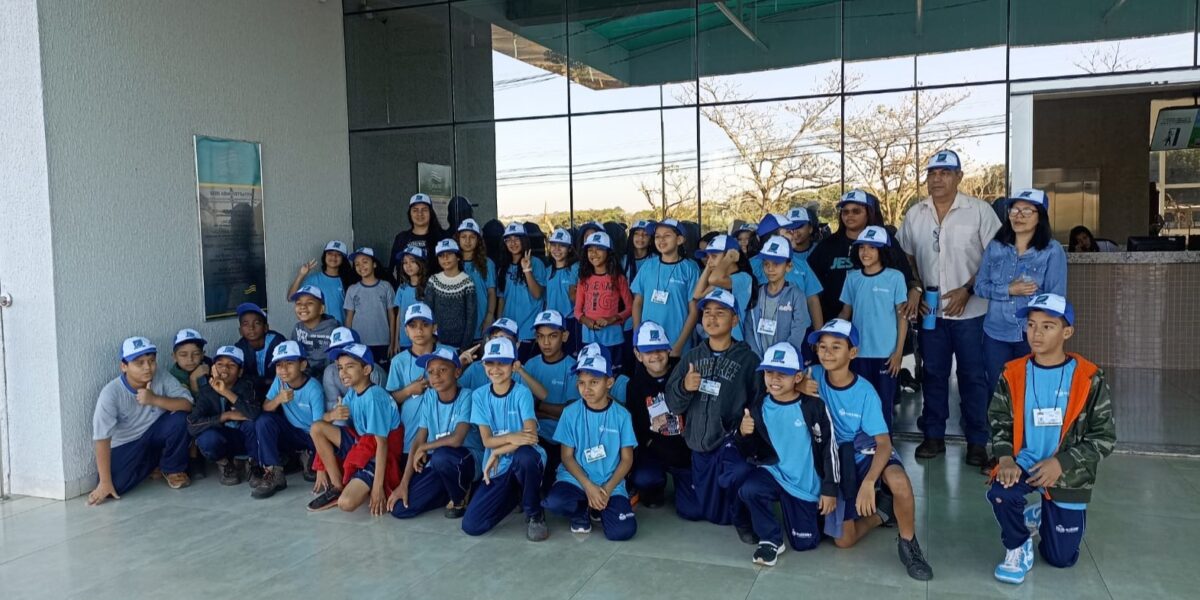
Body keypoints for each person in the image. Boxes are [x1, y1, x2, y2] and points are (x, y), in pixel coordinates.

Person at [986, 293, 1116, 584]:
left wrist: (1062, 462)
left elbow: (1105, 437)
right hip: (1024, 462)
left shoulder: (1088, 377)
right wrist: (1006, 457)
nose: (1037, 333)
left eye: (1048, 326)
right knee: (1000, 491)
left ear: (1067, 331)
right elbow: (999, 420)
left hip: (1067, 473)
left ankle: (1043, 515)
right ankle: (1018, 545)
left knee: (1061, 559)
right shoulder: (1013, 373)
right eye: (1031, 325)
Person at [896, 150, 1001, 465]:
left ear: (959, 177)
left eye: (945, 172)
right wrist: (914, 285)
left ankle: (977, 442)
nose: (937, 178)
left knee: (972, 377)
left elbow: (995, 259)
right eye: (932, 173)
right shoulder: (916, 214)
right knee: (933, 375)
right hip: (932, 315)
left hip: (971, 313)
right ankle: (933, 436)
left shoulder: (979, 211)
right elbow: (907, 257)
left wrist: (968, 289)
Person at [807, 319, 933, 581]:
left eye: (836, 347)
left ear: (853, 353)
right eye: (822, 346)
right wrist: (798, 386)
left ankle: (909, 543)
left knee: (899, 481)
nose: (827, 352)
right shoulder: (813, 375)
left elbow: (884, 443)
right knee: (844, 541)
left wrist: (869, 481)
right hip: (835, 458)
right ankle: (882, 513)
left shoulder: (865, 392)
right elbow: (780, 385)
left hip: (867, 451)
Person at [665, 288, 758, 538]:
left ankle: (743, 506)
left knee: (732, 497)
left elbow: (759, 402)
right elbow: (673, 403)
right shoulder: (692, 356)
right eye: (707, 313)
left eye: (720, 313)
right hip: (699, 447)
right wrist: (685, 386)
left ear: (735, 320)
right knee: (694, 511)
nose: (712, 318)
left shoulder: (748, 360)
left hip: (729, 445)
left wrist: (746, 430)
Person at [735, 341, 837, 566]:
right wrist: (743, 433)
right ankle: (770, 539)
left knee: (805, 543)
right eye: (769, 372)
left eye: (783, 374)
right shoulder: (758, 406)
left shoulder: (813, 407)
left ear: (798, 377)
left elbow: (830, 448)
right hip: (774, 473)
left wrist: (829, 489)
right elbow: (751, 451)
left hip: (804, 484)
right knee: (749, 489)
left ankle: (802, 516)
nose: (774, 379)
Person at [975, 189, 1068, 402]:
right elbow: (980, 286)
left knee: (1032, 393)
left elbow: (1056, 299)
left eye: (1027, 210)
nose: (1019, 215)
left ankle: (1027, 436)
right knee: (999, 392)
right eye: (1015, 209)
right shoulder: (996, 247)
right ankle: (1002, 435)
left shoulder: (1052, 251)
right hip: (996, 334)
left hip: (1033, 335)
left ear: (1040, 216)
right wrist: (1008, 289)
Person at [461, 337, 550, 541]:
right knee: (472, 525)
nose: (495, 368)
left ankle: (534, 512)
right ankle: (514, 495)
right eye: (490, 363)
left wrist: (499, 450)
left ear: (513, 365)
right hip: (497, 468)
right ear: (483, 365)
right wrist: (512, 436)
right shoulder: (480, 396)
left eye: (502, 362)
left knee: (526, 457)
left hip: (519, 458)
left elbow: (531, 437)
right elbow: (486, 441)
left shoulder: (522, 393)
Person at [543, 351, 638, 540]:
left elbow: (627, 459)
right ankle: (582, 510)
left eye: (594, 382)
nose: (586, 389)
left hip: (609, 483)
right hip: (576, 479)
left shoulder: (622, 415)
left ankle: (598, 508)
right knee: (555, 502)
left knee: (623, 531)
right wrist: (588, 486)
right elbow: (567, 457)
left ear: (609, 383)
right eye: (581, 383)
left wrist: (607, 489)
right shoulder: (570, 413)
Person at [88, 337, 194, 505]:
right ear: (124, 366)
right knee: (114, 488)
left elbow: (187, 404)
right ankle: (154, 464)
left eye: (151, 361)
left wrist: (155, 399)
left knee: (181, 418)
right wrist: (105, 482)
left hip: (156, 432)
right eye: (139, 363)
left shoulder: (161, 376)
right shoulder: (110, 393)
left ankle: (172, 469)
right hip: (127, 443)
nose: (148, 368)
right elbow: (102, 438)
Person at [388, 347, 484, 519]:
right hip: (440, 464)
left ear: (457, 372)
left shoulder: (467, 396)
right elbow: (419, 439)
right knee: (401, 509)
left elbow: (457, 439)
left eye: (442, 370)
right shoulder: (430, 397)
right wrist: (404, 483)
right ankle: (449, 491)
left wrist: (425, 447)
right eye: (431, 372)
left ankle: (461, 495)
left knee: (441, 456)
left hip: (466, 461)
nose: (436, 376)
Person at [809, 189, 918, 327]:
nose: (849, 215)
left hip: (880, 326)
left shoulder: (887, 242)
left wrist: (916, 290)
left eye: (856, 211)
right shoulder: (827, 246)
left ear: (868, 213)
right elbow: (811, 286)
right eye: (845, 211)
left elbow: (906, 277)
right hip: (837, 326)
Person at [838, 226, 909, 432]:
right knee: (859, 403)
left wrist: (898, 353)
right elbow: (846, 313)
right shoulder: (852, 278)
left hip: (886, 355)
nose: (865, 252)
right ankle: (863, 449)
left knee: (883, 405)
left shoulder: (895, 277)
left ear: (882, 251)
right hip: (858, 353)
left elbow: (902, 317)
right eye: (862, 247)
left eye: (872, 248)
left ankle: (885, 452)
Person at [323, 343, 404, 515]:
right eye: (340, 368)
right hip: (363, 445)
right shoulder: (353, 392)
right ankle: (338, 485)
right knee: (317, 428)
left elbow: (382, 444)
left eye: (350, 367)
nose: (343, 373)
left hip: (379, 455)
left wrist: (377, 488)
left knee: (346, 504)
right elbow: (322, 421)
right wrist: (332, 415)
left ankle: (363, 482)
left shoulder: (374, 397)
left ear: (366, 369)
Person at [626, 321, 689, 509]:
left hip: (685, 450)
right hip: (654, 448)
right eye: (648, 351)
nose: (655, 355)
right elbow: (637, 426)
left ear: (669, 350)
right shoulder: (635, 385)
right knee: (645, 478)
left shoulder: (683, 372)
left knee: (692, 510)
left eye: (660, 349)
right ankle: (655, 488)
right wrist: (651, 444)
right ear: (638, 355)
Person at [253, 341, 326, 499]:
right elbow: (266, 406)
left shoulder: (314, 388)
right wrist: (278, 399)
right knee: (263, 420)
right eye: (279, 365)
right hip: (292, 432)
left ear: (302, 365)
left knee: (311, 473)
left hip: (312, 436)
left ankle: (306, 455)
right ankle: (274, 472)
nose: (283, 369)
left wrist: (322, 467)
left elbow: (320, 428)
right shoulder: (280, 381)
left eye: (290, 363)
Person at [386, 302, 455, 464]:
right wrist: (409, 390)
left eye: (425, 324)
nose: (419, 330)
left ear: (434, 327)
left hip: (444, 437)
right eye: (413, 325)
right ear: (406, 331)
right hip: (410, 438)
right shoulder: (398, 361)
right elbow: (389, 400)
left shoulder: (449, 353)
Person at [522, 310, 580, 491]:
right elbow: (525, 409)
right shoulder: (531, 365)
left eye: (553, 336)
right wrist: (551, 412)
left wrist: (539, 407)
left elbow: (570, 411)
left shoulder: (573, 366)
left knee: (556, 486)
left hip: (566, 439)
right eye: (541, 336)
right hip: (537, 436)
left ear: (565, 336)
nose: (546, 342)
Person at [185, 345, 259, 486]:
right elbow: (192, 424)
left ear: (240, 371)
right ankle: (225, 463)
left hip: (243, 439)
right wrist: (225, 416)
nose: (224, 369)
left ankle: (253, 463)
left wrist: (226, 392)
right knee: (207, 438)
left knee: (253, 424)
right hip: (222, 439)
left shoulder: (246, 386)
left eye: (231, 365)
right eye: (220, 365)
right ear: (213, 368)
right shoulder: (206, 391)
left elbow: (254, 414)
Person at [631, 219, 700, 357]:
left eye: (667, 235)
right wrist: (637, 338)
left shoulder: (690, 268)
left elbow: (694, 311)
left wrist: (678, 346)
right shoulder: (648, 265)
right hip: (647, 343)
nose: (661, 240)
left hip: (676, 344)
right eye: (657, 236)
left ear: (679, 240)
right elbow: (637, 303)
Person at [744, 236, 818, 361]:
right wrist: (757, 357)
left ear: (789, 266)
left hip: (786, 361)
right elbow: (749, 325)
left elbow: (799, 329)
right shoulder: (757, 292)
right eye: (766, 264)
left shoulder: (796, 295)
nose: (770, 269)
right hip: (759, 360)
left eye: (776, 264)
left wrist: (781, 357)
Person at [576, 231, 633, 370]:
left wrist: (611, 319)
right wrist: (586, 321)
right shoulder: (584, 279)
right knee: (590, 372)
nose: (594, 253)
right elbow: (577, 311)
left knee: (613, 374)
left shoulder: (619, 278)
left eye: (599, 249)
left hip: (612, 336)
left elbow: (630, 308)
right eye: (590, 250)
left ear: (609, 252)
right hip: (588, 336)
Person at [497, 222, 547, 362]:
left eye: (516, 238)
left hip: (528, 330)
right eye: (508, 240)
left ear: (524, 240)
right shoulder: (503, 267)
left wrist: (527, 270)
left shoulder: (536, 263)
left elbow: (537, 294)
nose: (512, 243)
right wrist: (500, 325)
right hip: (508, 331)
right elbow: (501, 299)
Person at [692, 234, 755, 344]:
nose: (708, 261)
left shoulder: (743, 278)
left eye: (714, 256)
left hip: (735, 342)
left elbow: (714, 279)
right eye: (708, 256)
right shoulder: (721, 280)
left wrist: (728, 259)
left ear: (731, 256)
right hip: (718, 341)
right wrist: (710, 265)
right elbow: (697, 294)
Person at [344, 247, 397, 363]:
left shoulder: (386, 286)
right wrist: (348, 342)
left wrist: (393, 342)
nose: (361, 266)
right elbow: (349, 318)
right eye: (357, 264)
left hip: (383, 341)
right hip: (359, 343)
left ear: (374, 264)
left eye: (365, 262)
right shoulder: (352, 289)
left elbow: (392, 316)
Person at [427, 239, 478, 351]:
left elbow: (471, 316)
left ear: (458, 257)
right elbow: (428, 312)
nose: (445, 258)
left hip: (460, 344)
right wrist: (432, 339)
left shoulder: (467, 281)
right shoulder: (433, 280)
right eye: (441, 255)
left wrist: (464, 347)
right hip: (438, 343)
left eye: (449, 254)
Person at [287, 240, 352, 326]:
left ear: (343, 259)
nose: (333, 257)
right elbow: (290, 297)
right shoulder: (313, 279)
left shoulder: (348, 280)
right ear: (324, 256)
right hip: (319, 331)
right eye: (330, 253)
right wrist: (301, 275)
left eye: (338, 254)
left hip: (341, 331)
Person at [622, 219, 657, 371]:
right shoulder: (624, 260)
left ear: (651, 239)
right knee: (631, 358)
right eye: (637, 234)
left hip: (651, 314)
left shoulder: (656, 259)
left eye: (645, 235)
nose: (641, 238)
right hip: (628, 317)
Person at [233, 302, 286, 401]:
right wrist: (264, 381)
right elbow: (242, 378)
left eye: (257, 323)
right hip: (254, 394)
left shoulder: (278, 342)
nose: (251, 328)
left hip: (280, 391)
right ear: (240, 331)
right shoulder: (239, 348)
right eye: (245, 324)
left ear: (266, 327)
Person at [389, 192, 448, 276]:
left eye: (424, 210)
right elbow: (392, 268)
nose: (420, 214)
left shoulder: (442, 237)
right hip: (408, 287)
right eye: (415, 210)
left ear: (431, 213)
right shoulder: (401, 238)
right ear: (410, 213)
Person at [457, 218, 497, 341]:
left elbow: (491, 292)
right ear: (458, 239)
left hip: (481, 323)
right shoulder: (453, 262)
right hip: (460, 327)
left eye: (472, 237)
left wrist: (489, 316)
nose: (467, 241)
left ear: (478, 240)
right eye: (464, 237)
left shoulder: (487, 263)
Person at [290, 284, 338, 378]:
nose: (303, 307)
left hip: (327, 376)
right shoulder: (297, 328)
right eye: (299, 303)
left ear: (321, 309)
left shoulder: (333, 330)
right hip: (305, 376)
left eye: (309, 303)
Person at [545, 228, 580, 353]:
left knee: (570, 355)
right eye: (553, 245)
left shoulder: (575, 268)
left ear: (570, 248)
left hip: (570, 321)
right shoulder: (548, 270)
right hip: (551, 321)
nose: (557, 249)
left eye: (562, 246)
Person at [392, 245, 429, 352]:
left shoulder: (429, 287)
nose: (408, 265)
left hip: (423, 339)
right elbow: (399, 316)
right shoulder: (402, 288)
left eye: (412, 261)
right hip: (405, 339)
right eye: (405, 262)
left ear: (421, 263)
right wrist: (396, 341)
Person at [169, 328, 210, 395]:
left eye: (196, 354)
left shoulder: (210, 366)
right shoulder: (172, 380)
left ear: (202, 355)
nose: (190, 359)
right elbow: (192, 405)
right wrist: (193, 380)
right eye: (183, 355)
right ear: (174, 357)